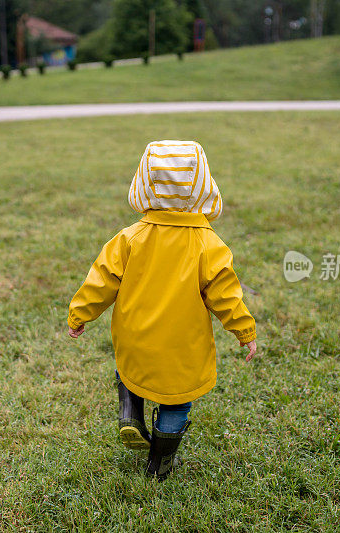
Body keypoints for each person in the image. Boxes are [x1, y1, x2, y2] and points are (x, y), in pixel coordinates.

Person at [66, 140, 257, 480]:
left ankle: (130, 412)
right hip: (183, 345)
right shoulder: (208, 244)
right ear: (202, 186)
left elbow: (101, 280)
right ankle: (160, 462)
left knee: (131, 370)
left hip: (136, 336)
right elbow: (226, 294)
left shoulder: (129, 238)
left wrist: (79, 313)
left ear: (143, 183)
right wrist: (244, 331)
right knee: (177, 402)